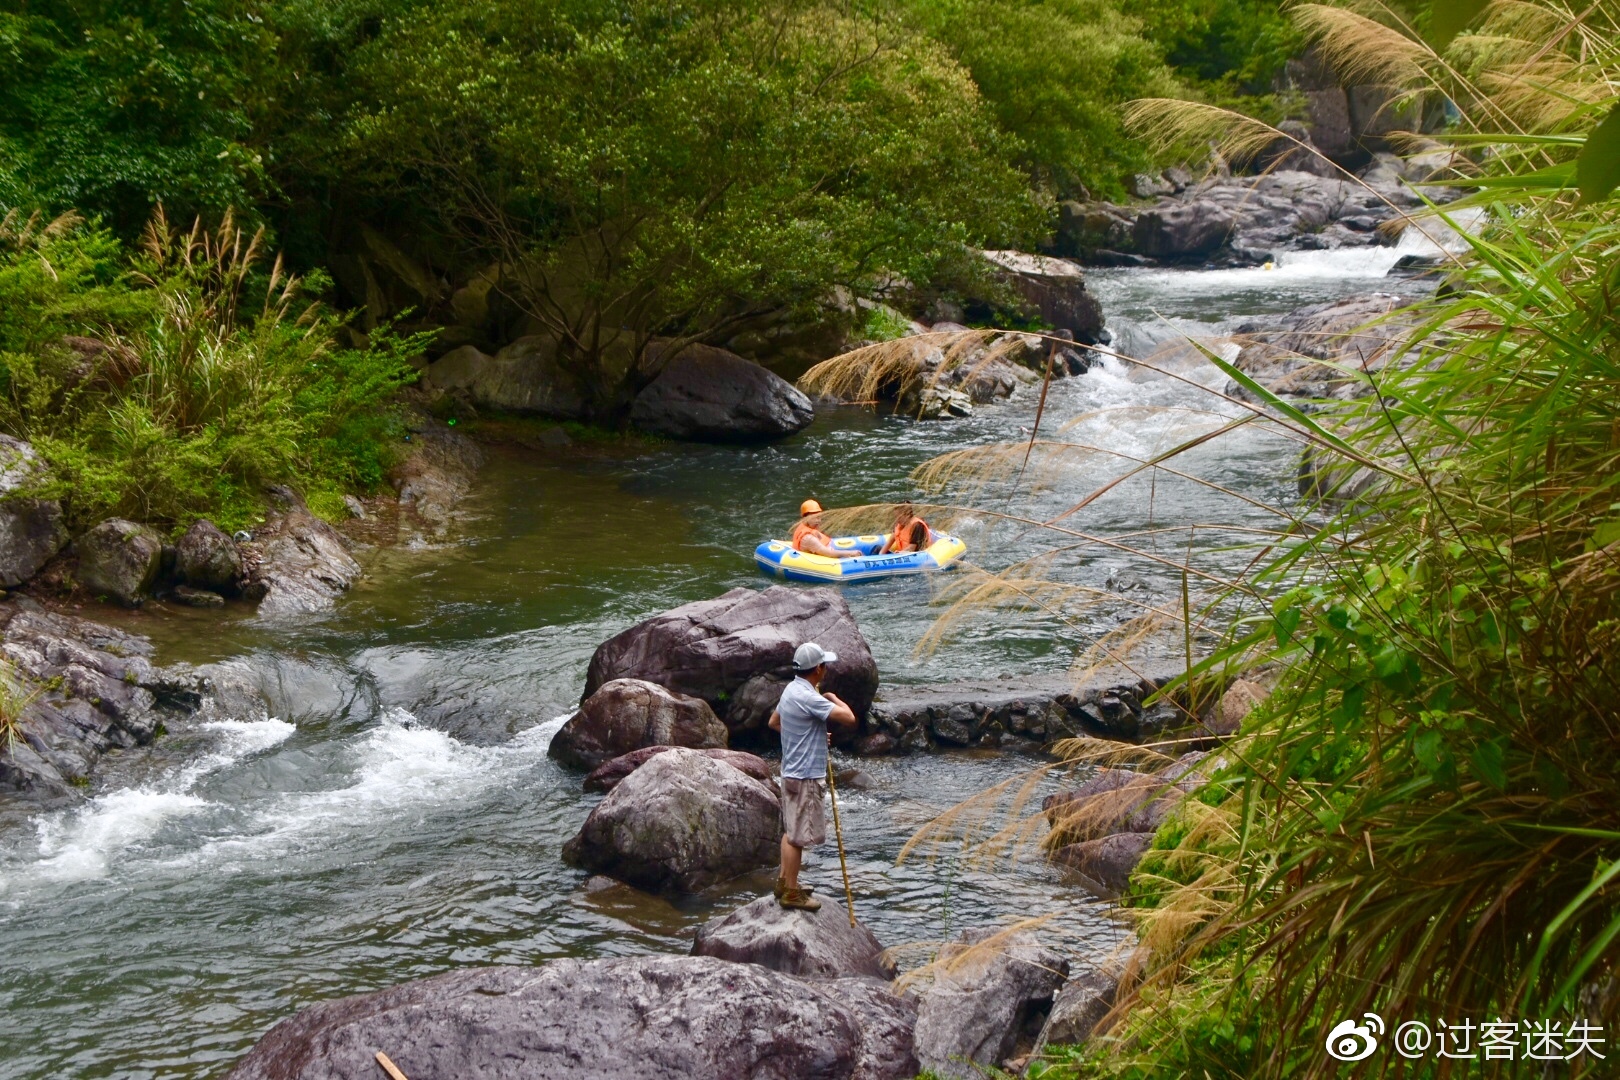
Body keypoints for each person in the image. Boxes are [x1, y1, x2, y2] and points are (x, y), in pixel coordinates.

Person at [768, 641, 858, 910]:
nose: (826, 669)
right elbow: (850, 718)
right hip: (805, 776)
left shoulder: (790, 690)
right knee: (797, 838)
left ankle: (784, 883)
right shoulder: (810, 697)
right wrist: (832, 698)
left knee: (789, 831)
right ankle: (792, 894)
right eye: (825, 665)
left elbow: (775, 723)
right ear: (818, 669)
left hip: (790, 772)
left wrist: (810, 736)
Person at [791, 499, 858, 558]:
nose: (818, 521)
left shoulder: (806, 526)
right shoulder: (808, 538)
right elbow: (830, 554)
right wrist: (852, 553)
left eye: (819, 517)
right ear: (806, 518)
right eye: (815, 517)